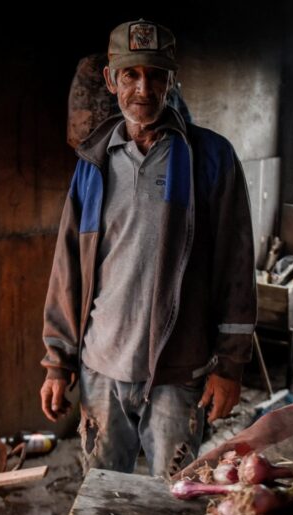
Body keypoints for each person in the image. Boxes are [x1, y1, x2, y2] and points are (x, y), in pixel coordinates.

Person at [39, 19, 256, 477]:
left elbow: (236, 267)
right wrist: (57, 362)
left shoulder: (211, 159)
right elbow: (67, 272)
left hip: (179, 373)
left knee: (172, 501)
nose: (144, 88)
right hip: (101, 368)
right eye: (131, 74)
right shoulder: (92, 166)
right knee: (103, 497)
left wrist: (231, 365)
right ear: (111, 79)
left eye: (157, 74)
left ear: (172, 80)